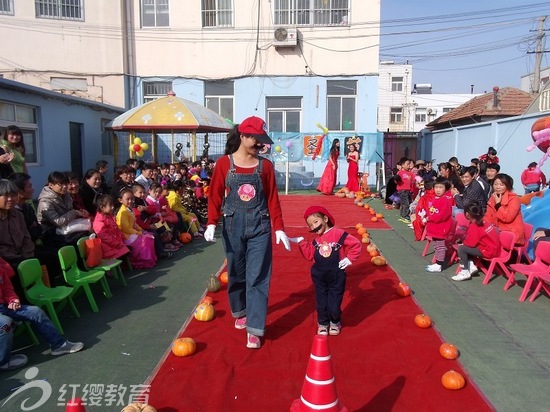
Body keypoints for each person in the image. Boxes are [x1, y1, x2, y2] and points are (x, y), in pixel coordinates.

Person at [204, 116, 291, 349]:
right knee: (236, 272)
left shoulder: (266, 166)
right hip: (232, 226)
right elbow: (214, 194)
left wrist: (279, 228)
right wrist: (211, 222)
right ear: (243, 136)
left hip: (260, 227)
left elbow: (273, 198)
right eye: (256, 139)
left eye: (262, 139)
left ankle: (254, 328)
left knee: (258, 277)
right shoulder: (224, 164)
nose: (260, 144)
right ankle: (240, 310)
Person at [0, 257, 84, 371]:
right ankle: (3, 362)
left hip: (4, 306)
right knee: (5, 324)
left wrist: (13, 299)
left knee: (36, 311)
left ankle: (59, 345)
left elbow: (7, 289)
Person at [293, 206, 361, 335]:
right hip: (319, 276)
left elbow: (356, 244)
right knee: (321, 302)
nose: (313, 227)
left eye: (316, 222)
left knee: (334, 303)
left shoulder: (339, 234)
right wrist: (301, 242)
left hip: (336, 275)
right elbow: (309, 255)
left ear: (325, 219)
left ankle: (335, 321)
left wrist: (350, 259)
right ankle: (323, 323)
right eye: (310, 225)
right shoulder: (316, 241)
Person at [37, 171, 91, 246]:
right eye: (60, 184)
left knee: (88, 232)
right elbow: (58, 222)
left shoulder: (66, 195)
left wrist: (80, 213)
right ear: (51, 185)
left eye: (65, 183)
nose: (65, 186)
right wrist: (75, 212)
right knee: (78, 238)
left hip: (65, 228)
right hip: (50, 232)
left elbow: (69, 213)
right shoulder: (46, 202)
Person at [452, 202, 501, 282]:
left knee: (462, 249)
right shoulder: (484, 221)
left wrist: (463, 242)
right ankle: (470, 265)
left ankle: (465, 271)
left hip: (488, 251)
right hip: (494, 248)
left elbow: (470, 244)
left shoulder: (474, 226)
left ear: (467, 214)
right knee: (467, 247)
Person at [116, 188, 157, 269]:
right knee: (145, 239)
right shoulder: (122, 212)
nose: (130, 201)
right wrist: (138, 233)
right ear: (120, 200)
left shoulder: (129, 210)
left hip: (132, 233)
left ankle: (149, 259)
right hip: (127, 236)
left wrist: (141, 230)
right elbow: (126, 228)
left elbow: (134, 224)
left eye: (132, 199)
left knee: (149, 236)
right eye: (127, 199)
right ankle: (142, 261)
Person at [0, 179, 34, 269]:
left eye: (13, 195)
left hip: (22, 255)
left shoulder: (18, 214)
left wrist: (27, 255)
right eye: (6, 196)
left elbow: (26, 237)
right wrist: (16, 257)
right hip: (5, 260)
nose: (10, 199)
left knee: (50, 258)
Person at [423, 177, 454, 273]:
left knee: (440, 246)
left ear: (446, 188)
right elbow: (432, 211)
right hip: (434, 228)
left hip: (441, 228)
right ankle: (437, 263)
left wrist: (429, 218)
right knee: (436, 246)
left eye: (441, 187)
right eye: (436, 187)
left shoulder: (445, 201)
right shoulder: (435, 199)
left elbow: (442, 215)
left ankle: (439, 264)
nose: (438, 189)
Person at [485, 173, 525, 246]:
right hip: (497, 231)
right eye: (495, 184)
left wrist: (498, 205)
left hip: (512, 234)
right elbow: (488, 217)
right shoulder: (492, 198)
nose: (498, 187)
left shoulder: (514, 199)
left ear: (507, 186)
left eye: (501, 185)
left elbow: (508, 217)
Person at [92, 194, 130, 260]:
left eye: (113, 205)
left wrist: (123, 237)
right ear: (102, 207)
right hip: (109, 249)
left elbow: (116, 230)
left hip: (116, 244)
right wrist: (117, 244)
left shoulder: (109, 216)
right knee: (128, 252)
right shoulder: (99, 222)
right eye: (110, 205)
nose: (113, 207)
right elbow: (106, 238)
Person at [396, 158, 414, 223]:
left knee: (406, 203)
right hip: (402, 190)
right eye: (407, 164)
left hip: (408, 190)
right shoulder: (400, 172)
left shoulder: (410, 173)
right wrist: (396, 179)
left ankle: (402, 215)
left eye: (409, 164)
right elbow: (396, 181)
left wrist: (421, 180)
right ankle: (405, 216)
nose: (409, 165)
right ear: (403, 165)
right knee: (406, 203)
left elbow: (415, 178)